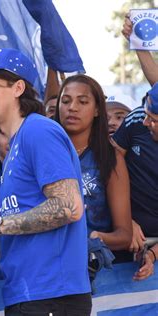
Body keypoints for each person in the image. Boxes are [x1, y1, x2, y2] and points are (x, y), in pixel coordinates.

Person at [0, 48, 91, 315]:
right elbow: (23, 230)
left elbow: (69, 207)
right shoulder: (17, 145)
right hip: (30, 295)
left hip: (51, 296)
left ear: (18, 88)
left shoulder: (38, 131)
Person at [54, 75, 132, 253]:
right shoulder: (41, 151)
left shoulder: (110, 158)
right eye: (65, 101)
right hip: (43, 265)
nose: (72, 108)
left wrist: (96, 238)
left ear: (97, 109)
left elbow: (125, 235)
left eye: (82, 102)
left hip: (92, 271)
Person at [112, 83, 158, 281]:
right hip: (121, 239)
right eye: (146, 114)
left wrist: (152, 254)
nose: (146, 122)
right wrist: (125, 221)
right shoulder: (137, 119)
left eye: (154, 120)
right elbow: (108, 168)